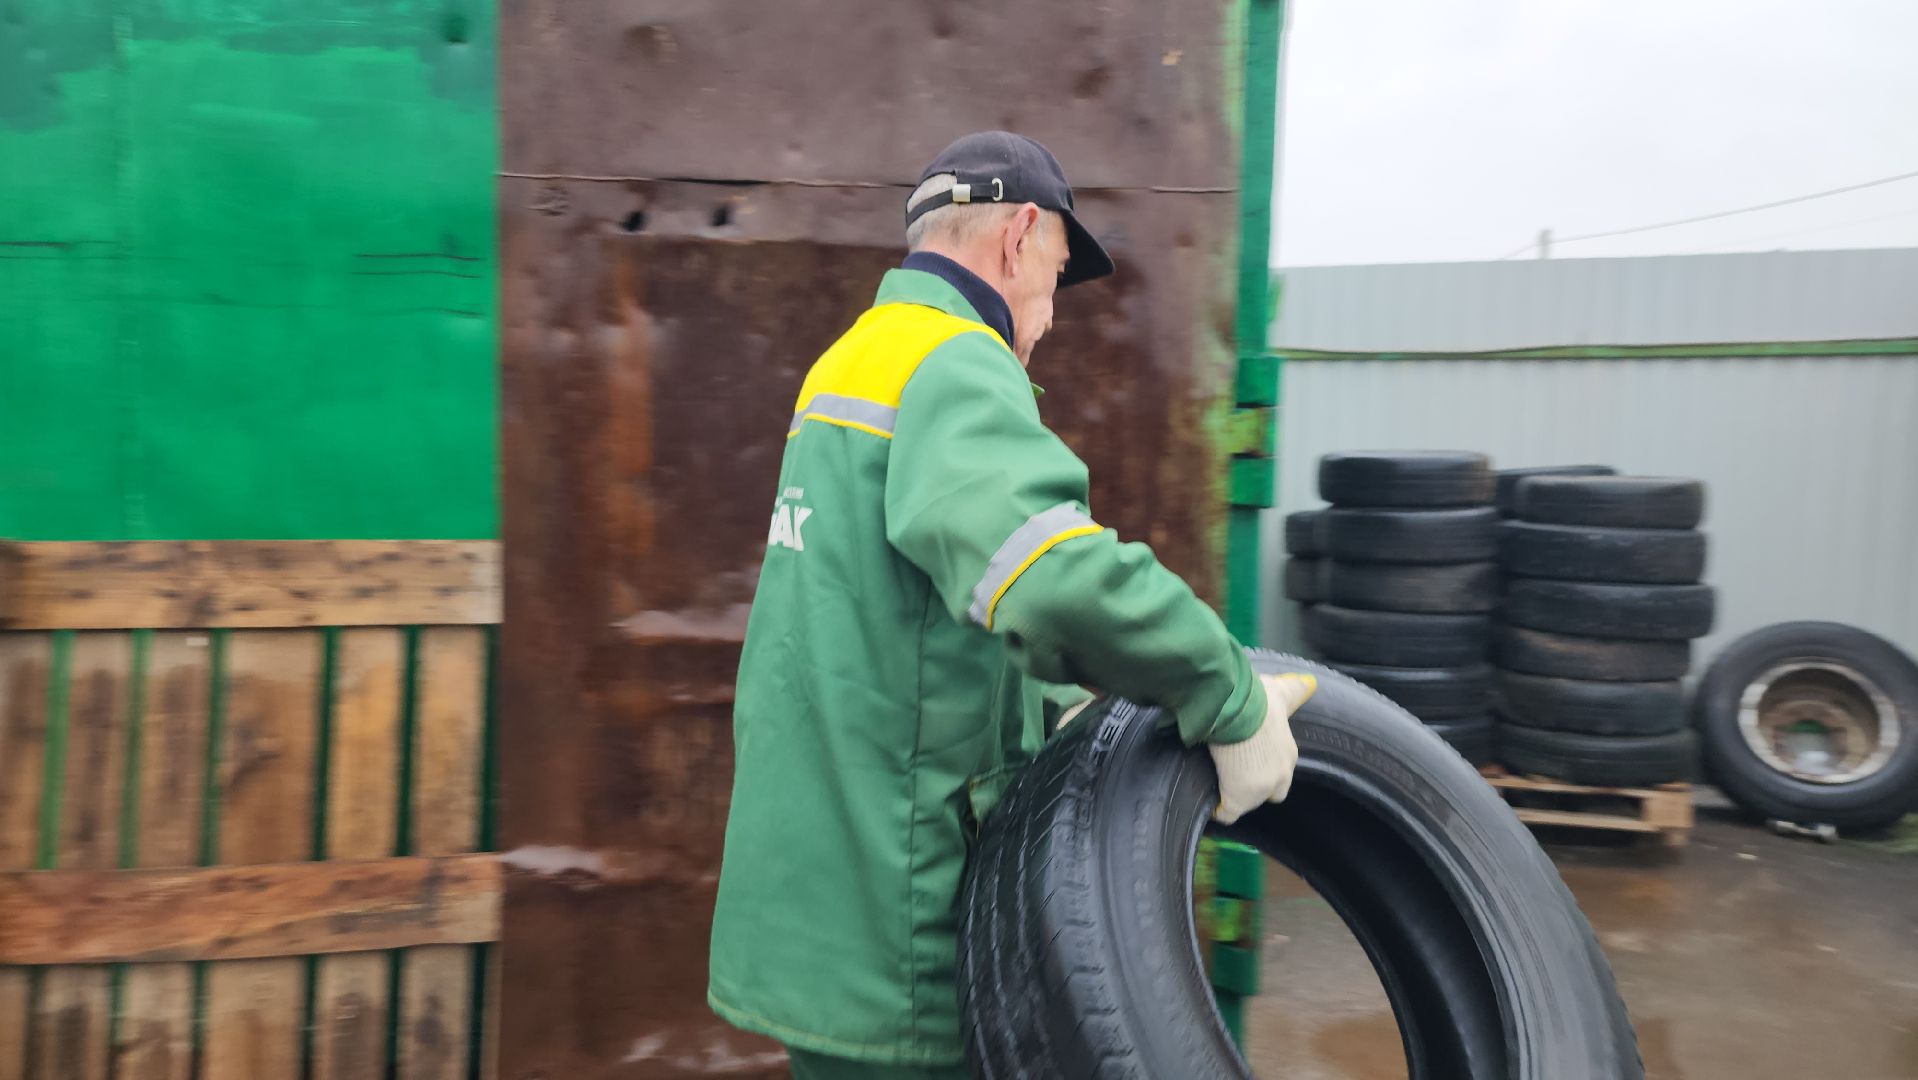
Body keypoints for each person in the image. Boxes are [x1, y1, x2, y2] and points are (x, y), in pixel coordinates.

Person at [708, 131, 1317, 1080]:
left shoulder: (852, 360)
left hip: (817, 911)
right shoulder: (954, 360)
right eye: (1056, 275)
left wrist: (1054, 711)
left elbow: (903, 619)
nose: (1047, 317)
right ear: (1018, 235)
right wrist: (1226, 692)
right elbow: (1048, 576)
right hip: (898, 931)